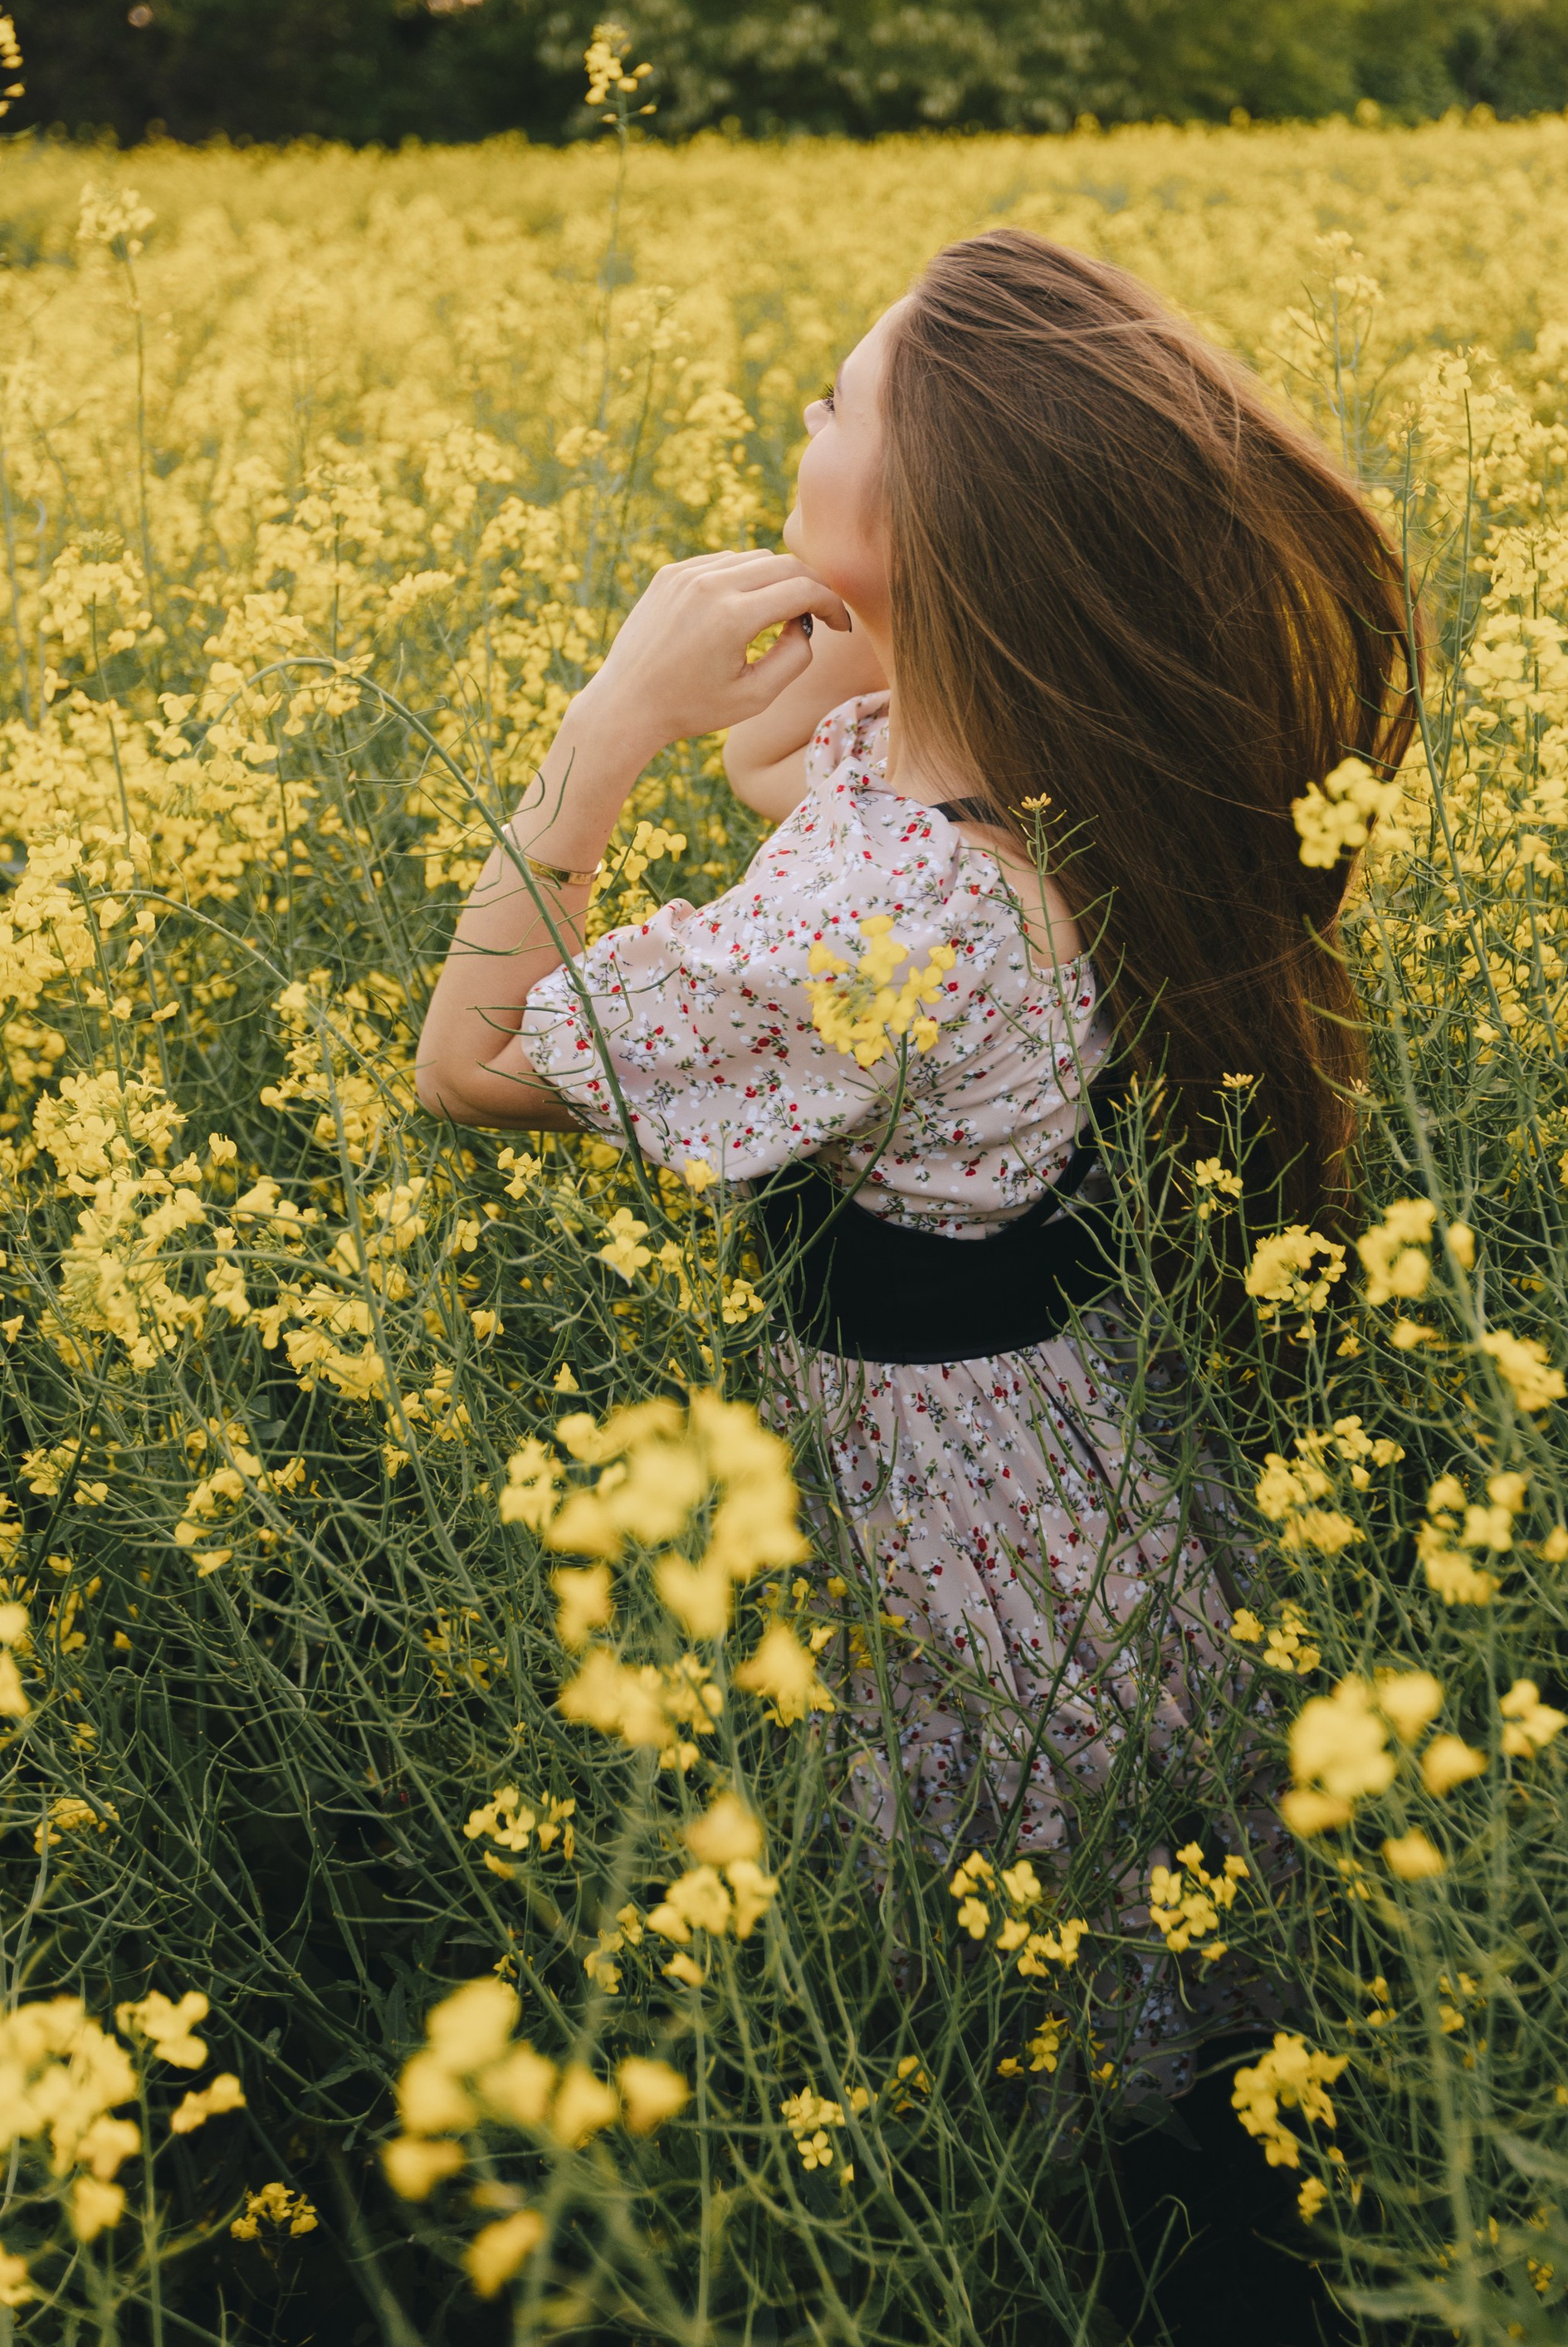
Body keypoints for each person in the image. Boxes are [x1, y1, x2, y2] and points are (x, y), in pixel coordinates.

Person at [414, 227, 1413, 1884]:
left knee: (1016, 1889)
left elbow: (465, 1064)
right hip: (1050, 1433)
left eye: (829, 412)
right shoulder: (1028, 763)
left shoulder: (877, 920)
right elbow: (784, 769)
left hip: (942, 1493)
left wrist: (602, 734)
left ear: (936, 526)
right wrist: (878, 618)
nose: (796, 424)